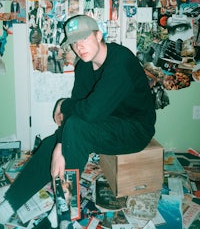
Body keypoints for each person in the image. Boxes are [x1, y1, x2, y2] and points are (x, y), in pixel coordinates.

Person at [0, 15, 156, 226]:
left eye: (84, 38)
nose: (79, 47)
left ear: (99, 35)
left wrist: (63, 105)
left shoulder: (121, 61)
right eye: (74, 42)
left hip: (135, 128)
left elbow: (87, 112)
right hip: (106, 121)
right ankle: (10, 202)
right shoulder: (83, 65)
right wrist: (60, 141)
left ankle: (63, 213)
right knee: (52, 141)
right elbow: (79, 107)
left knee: (73, 130)